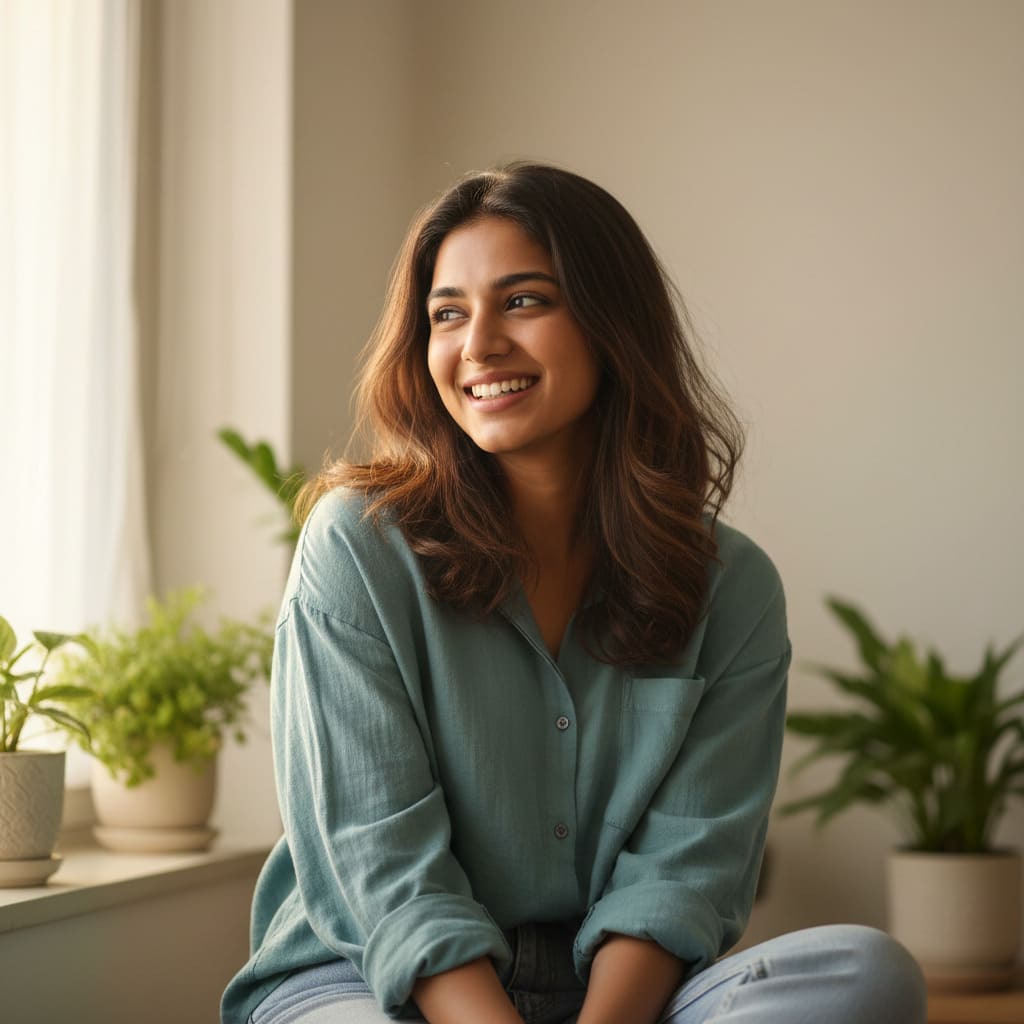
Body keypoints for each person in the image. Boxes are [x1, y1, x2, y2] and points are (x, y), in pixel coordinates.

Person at [221, 163, 926, 1024]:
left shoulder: (731, 588)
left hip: (617, 1000)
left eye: (524, 301)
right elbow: (383, 869)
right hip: (376, 985)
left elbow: (684, 873)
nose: (478, 343)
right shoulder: (357, 549)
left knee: (867, 973)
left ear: (610, 324)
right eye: (447, 313)